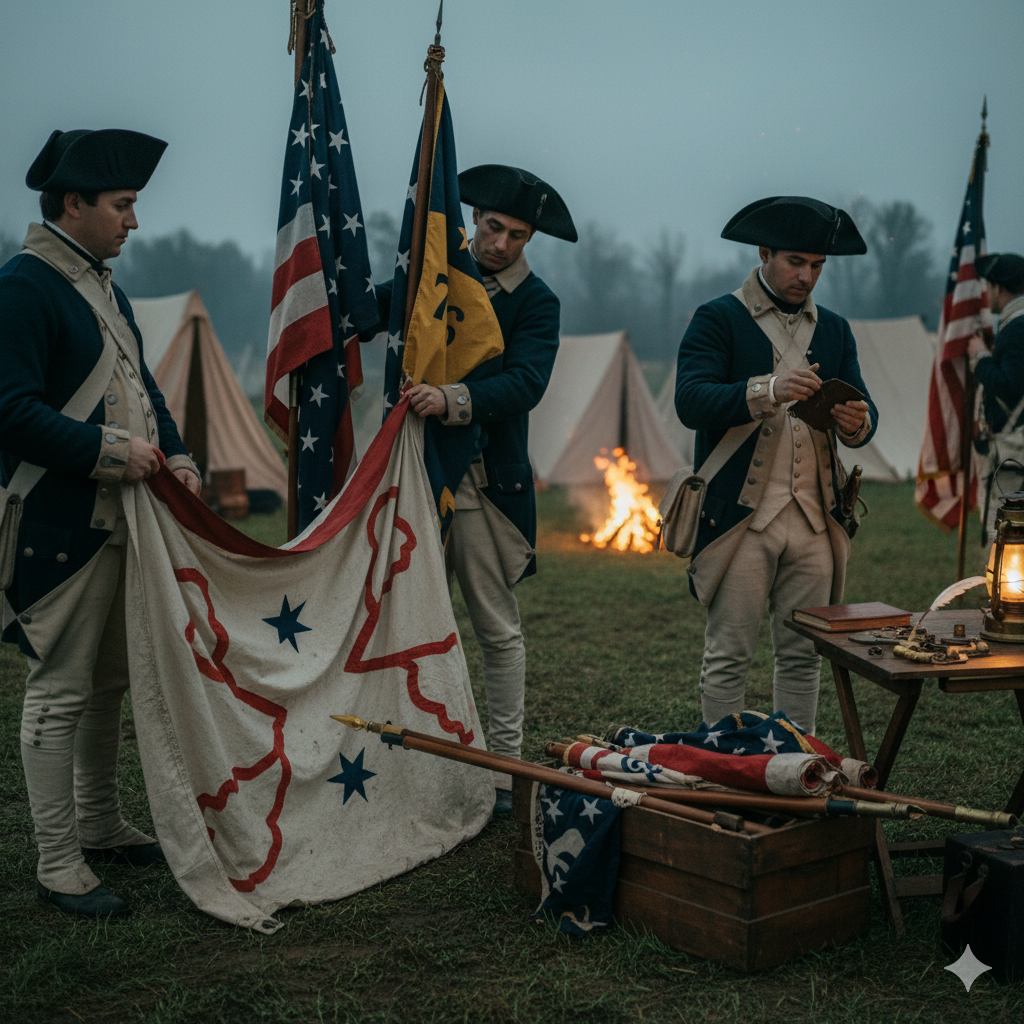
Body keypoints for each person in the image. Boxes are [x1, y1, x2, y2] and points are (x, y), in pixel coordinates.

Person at [0, 128, 202, 918]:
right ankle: (57, 864)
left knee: (108, 680)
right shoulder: (24, 286)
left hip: (116, 516)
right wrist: (113, 451)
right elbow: (10, 411)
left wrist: (177, 454)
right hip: (56, 518)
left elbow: (140, 386)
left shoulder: (102, 286)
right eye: (122, 205)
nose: (133, 221)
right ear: (72, 204)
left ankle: (99, 822)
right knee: (58, 688)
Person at [403, 164, 577, 815]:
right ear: (474, 218)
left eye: (518, 236)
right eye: (495, 226)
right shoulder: (432, 273)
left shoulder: (537, 302)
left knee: (497, 633)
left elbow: (525, 385)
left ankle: (503, 770)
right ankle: (412, 762)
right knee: (408, 626)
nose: (501, 244)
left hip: (483, 486)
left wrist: (450, 399)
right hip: (417, 475)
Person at [675, 196, 877, 735]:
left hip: (816, 518)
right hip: (742, 518)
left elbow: (863, 408)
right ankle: (722, 772)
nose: (806, 276)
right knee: (729, 654)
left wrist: (858, 422)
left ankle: (797, 771)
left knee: (802, 656)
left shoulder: (834, 329)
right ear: (764, 253)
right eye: (795, 262)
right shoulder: (718, 317)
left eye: (817, 266)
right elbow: (690, 401)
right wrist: (768, 388)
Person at [967, 252, 1024, 540]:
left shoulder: (1017, 328)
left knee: (1003, 533)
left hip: (1014, 455)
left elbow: (1009, 384)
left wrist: (980, 358)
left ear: (999, 288)